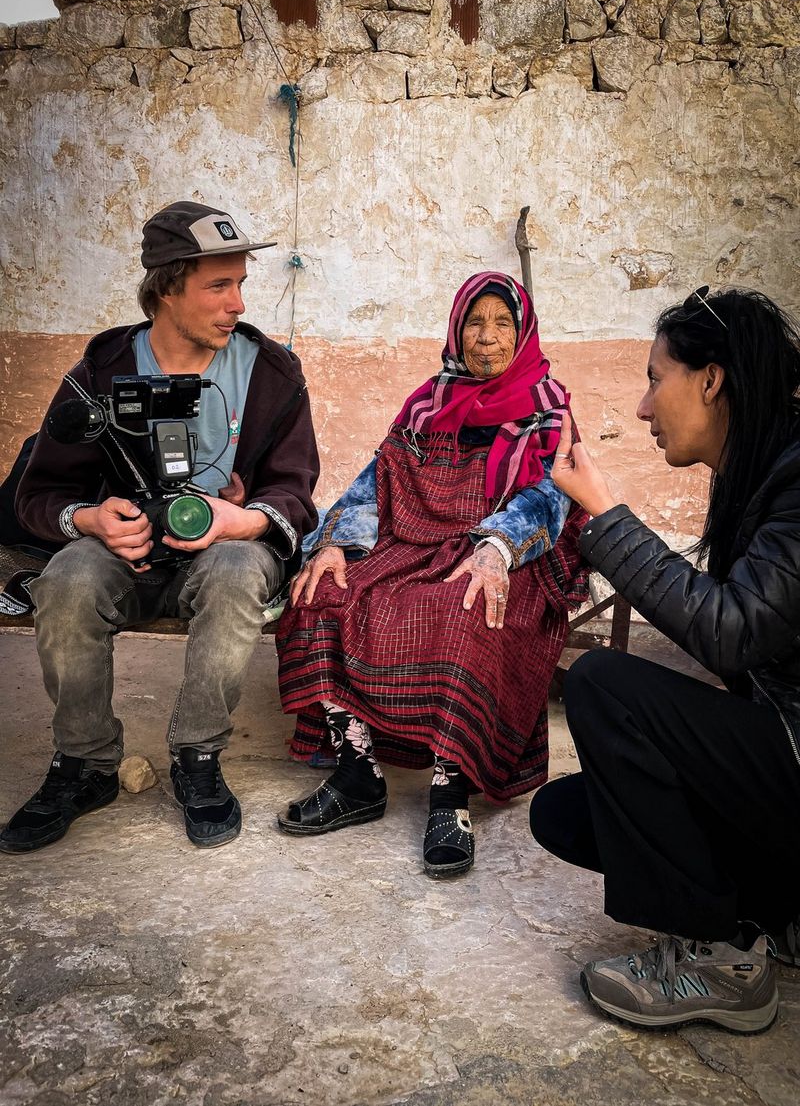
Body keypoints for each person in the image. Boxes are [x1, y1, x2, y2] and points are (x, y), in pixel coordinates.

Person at [0, 200, 319, 853]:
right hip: (124, 551)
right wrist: (88, 517)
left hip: (226, 549)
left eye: (240, 284)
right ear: (167, 288)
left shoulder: (270, 371)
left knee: (237, 571)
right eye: (218, 285)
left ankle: (198, 756)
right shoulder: (102, 369)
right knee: (67, 580)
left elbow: (294, 491)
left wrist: (245, 518)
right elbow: (40, 492)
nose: (237, 303)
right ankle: (85, 763)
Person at [530, 286, 800, 1033]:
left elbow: (734, 631)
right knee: (567, 814)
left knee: (603, 684)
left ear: (711, 380)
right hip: (782, 755)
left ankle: (723, 961)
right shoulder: (759, 472)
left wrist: (606, 517)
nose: (644, 407)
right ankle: (777, 911)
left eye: (656, 379)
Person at [276, 272, 589, 877]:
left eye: (503, 323)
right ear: (455, 330)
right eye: (475, 322)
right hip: (414, 539)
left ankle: (450, 794)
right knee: (321, 594)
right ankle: (357, 772)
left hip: (505, 548)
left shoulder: (549, 407)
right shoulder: (428, 402)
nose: (487, 337)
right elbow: (377, 478)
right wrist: (336, 543)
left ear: (522, 332)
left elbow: (551, 496)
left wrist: (498, 548)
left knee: (467, 611)